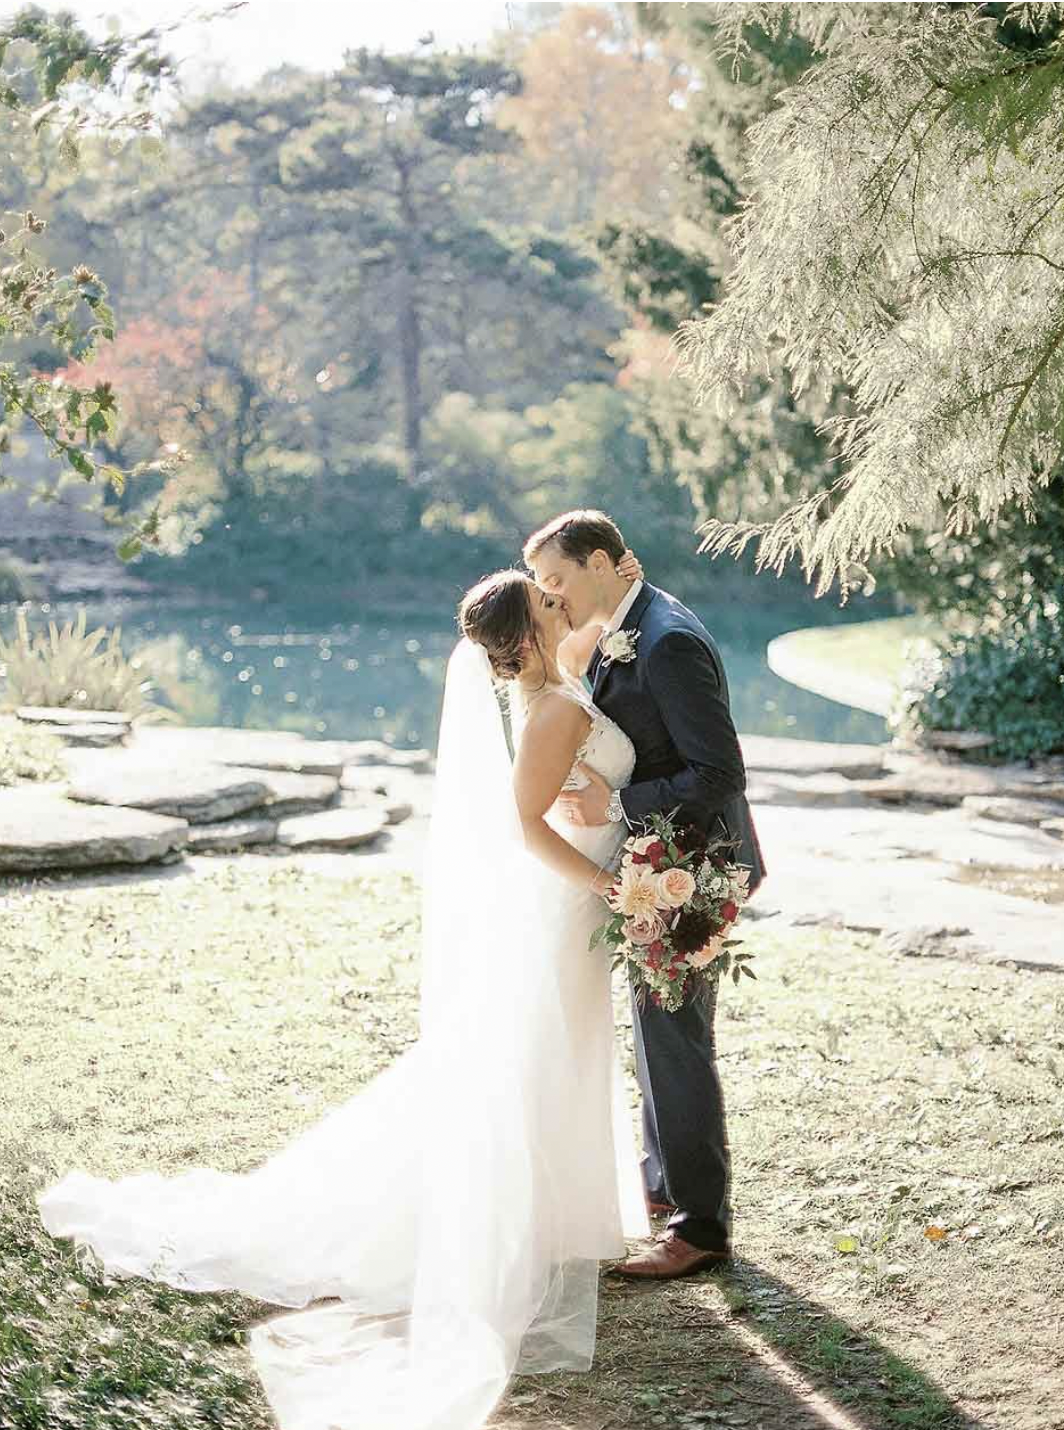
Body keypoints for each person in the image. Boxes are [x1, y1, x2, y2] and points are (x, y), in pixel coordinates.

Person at [36, 554, 651, 1430]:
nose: (561, 601)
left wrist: (620, 587)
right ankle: (496, 1223)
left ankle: (552, 1219)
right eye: (547, 601)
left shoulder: (556, 678)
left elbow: (587, 642)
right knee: (519, 1062)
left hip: (574, 905)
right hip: (564, 902)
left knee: (553, 1056)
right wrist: (603, 883)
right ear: (526, 637)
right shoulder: (551, 705)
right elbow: (524, 824)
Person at [525, 509, 766, 1279]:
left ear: (600, 564)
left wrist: (619, 805)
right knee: (657, 1034)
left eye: (556, 580)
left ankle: (700, 1228)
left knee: (674, 1041)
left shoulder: (665, 641)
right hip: (652, 865)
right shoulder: (622, 621)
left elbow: (720, 773)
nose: (550, 596)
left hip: (690, 866)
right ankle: (665, 1184)